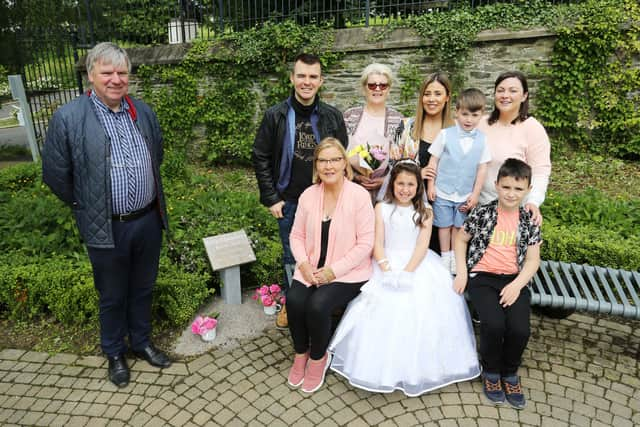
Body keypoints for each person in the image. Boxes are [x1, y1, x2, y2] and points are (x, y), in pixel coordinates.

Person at [41, 42, 171, 388]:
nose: (116, 79)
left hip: (146, 221)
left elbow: (155, 154)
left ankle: (141, 342)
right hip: (106, 227)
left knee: (143, 288)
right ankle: (114, 352)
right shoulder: (69, 117)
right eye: (107, 72)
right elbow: (55, 174)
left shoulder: (142, 112)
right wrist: (87, 204)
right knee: (112, 294)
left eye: (122, 72)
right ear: (91, 75)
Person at [328, 160, 480, 397]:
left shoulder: (425, 212)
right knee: (379, 308)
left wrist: (408, 272)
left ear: (418, 186)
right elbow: (377, 242)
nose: (405, 189)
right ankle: (378, 366)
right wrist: (386, 268)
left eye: (411, 184)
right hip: (385, 262)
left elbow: (421, 245)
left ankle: (421, 369)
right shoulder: (381, 208)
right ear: (392, 184)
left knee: (420, 311)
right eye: (401, 183)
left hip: (417, 264)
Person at [253, 53, 348, 330]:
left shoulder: (332, 116)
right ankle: (293, 303)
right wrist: (272, 198)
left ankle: (324, 303)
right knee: (293, 255)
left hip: (327, 199)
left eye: (313, 77)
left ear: (321, 81)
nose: (307, 82)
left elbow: (340, 158)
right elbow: (259, 156)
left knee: (328, 252)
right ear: (292, 78)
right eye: (302, 76)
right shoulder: (276, 116)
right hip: (290, 201)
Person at [285, 137, 375, 394]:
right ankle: (300, 354)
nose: (328, 166)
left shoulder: (358, 196)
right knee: (294, 300)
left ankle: (318, 358)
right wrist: (303, 265)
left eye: (335, 159)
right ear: (316, 166)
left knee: (317, 305)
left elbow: (365, 243)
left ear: (344, 164)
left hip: (348, 273)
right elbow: (296, 236)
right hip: (310, 268)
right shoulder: (308, 195)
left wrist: (332, 272)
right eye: (323, 161)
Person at [453, 158, 542, 409]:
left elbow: (533, 260)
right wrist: (462, 273)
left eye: (518, 189)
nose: (511, 194)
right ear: (496, 185)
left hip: (515, 279)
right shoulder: (483, 213)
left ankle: (510, 373)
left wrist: (517, 286)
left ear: (528, 190)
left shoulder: (529, 221)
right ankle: (491, 371)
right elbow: (461, 241)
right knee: (493, 325)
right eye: (506, 187)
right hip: (483, 278)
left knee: (519, 329)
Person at [426, 88, 491, 274]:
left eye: (474, 115)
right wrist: (431, 185)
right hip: (443, 190)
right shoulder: (445, 134)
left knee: (458, 226)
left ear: (481, 115)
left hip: (464, 193)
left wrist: (476, 194)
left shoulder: (483, 140)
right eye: (464, 114)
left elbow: (482, 168)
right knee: (444, 225)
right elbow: (434, 160)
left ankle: (455, 255)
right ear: (456, 112)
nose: (468, 119)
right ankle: (445, 255)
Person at [391, 72, 455, 252]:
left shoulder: (456, 131)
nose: (432, 99)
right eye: (427, 94)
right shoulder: (406, 127)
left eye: (437, 94)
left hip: (445, 206)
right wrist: (416, 173)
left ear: (447, 97)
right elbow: (391, 167)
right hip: (411, 206)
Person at [478, 71, 551, 225]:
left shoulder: (533, 129)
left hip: (513, 212)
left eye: (513, 91)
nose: (505, 95)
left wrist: (534, 201)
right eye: (501, 90)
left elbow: (540, 171)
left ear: (524, 96)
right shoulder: (481, 124)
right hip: (477, 209)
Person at [343, 63, 403, 201]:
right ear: (364, 88)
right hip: (352, 189)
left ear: (389, 89)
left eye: (383, 85)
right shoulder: (349, 116)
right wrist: (355, 176)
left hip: (385, 193)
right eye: (372, 85)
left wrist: (385, 180)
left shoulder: (398, 119)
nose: (377, 89)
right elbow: (340, 150)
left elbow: (402, 158)